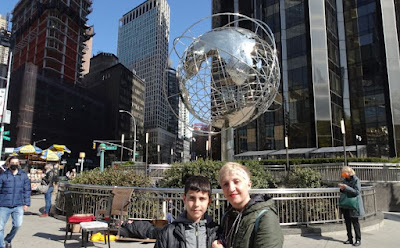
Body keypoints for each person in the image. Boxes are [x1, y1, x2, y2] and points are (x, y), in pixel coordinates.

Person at [212, 162, 283, 248]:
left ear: (249, 185)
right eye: (226, 184)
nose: (231, 189)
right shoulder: (227, 217)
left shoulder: (265, 217)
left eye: (236, 182)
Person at [154, 176, 218, 248]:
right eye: (192, 198)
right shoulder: (168, 233)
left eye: (202, 199)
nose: (196, 204)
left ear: (209, 202)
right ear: (184, 199)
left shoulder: (217, 233)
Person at [0, 156, 31, 248]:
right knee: (0, 227)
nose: (14, 164)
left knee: (17, 225)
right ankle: (2, 245)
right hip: (4, 205)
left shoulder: (23, 176)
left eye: (16, 163)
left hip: (18, 205)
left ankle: (7, 239)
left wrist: (26, 203)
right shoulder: (3, 176)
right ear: (8, 164)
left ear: (19, 164)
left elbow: (27, 190)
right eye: (12, 162)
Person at [338, 166, 365, 246]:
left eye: (344, 172)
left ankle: (358, 239)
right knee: (347, 222)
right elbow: (344, 191)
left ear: (349, 172)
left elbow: (357, 192)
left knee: (355, 222)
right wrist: (342, 188)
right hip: (346, 204)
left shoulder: (356, 180)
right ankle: (349, 238)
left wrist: (346, 187)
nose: (343, 174)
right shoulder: (345, 180)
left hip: (353, 204)